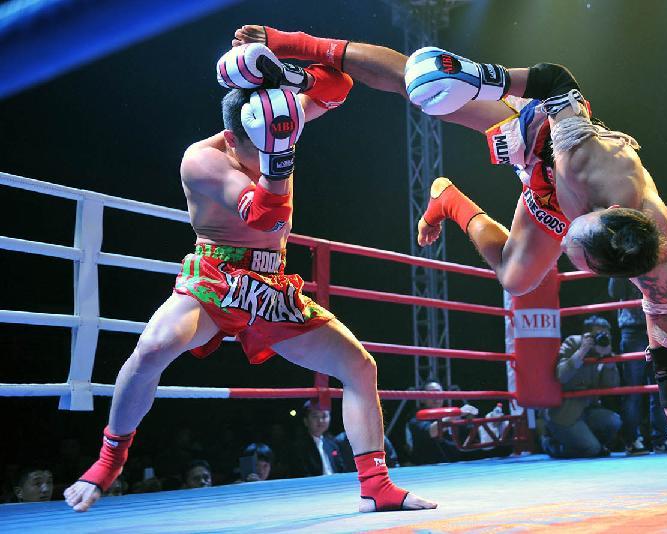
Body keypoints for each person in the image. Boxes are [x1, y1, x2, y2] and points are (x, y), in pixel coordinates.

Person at [229, 24, 667, 510]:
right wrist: (481, 77)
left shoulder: (658, 267)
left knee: (516, 278)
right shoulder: (589, 156)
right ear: (603, 214)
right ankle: (294, 45)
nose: (563, 248)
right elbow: (557, 80)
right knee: (421, 84)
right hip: (538, 134)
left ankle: (448, 199)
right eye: (571, 244)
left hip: (552, 192)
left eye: (571, 252)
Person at [64, 44, 435, 513]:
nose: (264, 155)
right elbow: (264, 214)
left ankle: (376, 487)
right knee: (154, 347)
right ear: (230, 137)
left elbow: (339, 85)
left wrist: (286, 63)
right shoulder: (203, 161)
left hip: (270, 283)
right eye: (255, 148)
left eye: (272, 144)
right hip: (216, 276)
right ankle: (108, 461)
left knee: (360, 367)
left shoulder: (278, 118)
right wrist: (280, 151)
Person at [542, 317, 622, 458]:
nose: (602, 338)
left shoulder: (603, 350)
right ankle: (551, 444)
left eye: (606, 335)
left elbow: (612, 386)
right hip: (565, 414)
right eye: (598, 335)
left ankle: (591, 444)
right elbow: (561, 375)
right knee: (592, 450)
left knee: (614, 420)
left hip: (588, 411)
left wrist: (609, 361)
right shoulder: (573, 343)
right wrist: (582, 351)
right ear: (587, 335)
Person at [609, 278, 667, 453]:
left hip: (658, 327)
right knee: (633, 390)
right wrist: (620, 267)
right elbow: (615, 292)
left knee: (659, 387)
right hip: (633, 329)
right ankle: (632, 440)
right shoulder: (624, 264)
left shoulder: (656, 262)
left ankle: (660, 439)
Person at [293, 401, 345, 477]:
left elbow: (341, 469)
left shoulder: (332, 443)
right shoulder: (298, 446)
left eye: (324, 416)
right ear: (306, 421)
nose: (320, 420)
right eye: (315, 416)